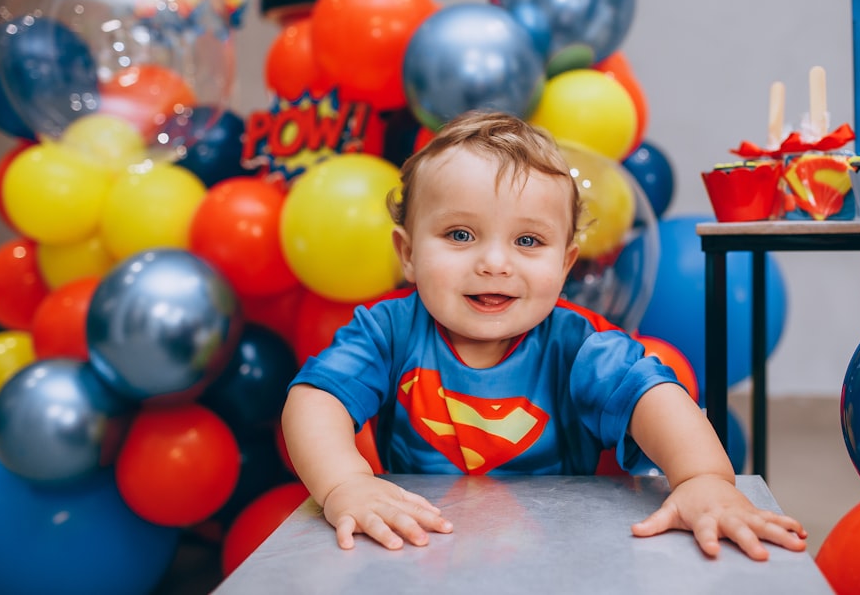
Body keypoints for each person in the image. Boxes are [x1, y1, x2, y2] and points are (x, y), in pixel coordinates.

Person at [281, 110, 807, 560]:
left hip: (559, 550)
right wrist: (346, 484)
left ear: (565, 263)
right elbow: (315, 400)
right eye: (459, 234)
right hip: (420, 550)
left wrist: (702, 480)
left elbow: (656, 397)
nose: (493, 263)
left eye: (528, 240)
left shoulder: (578, 345)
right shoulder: (387, 331)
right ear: (409, 253)